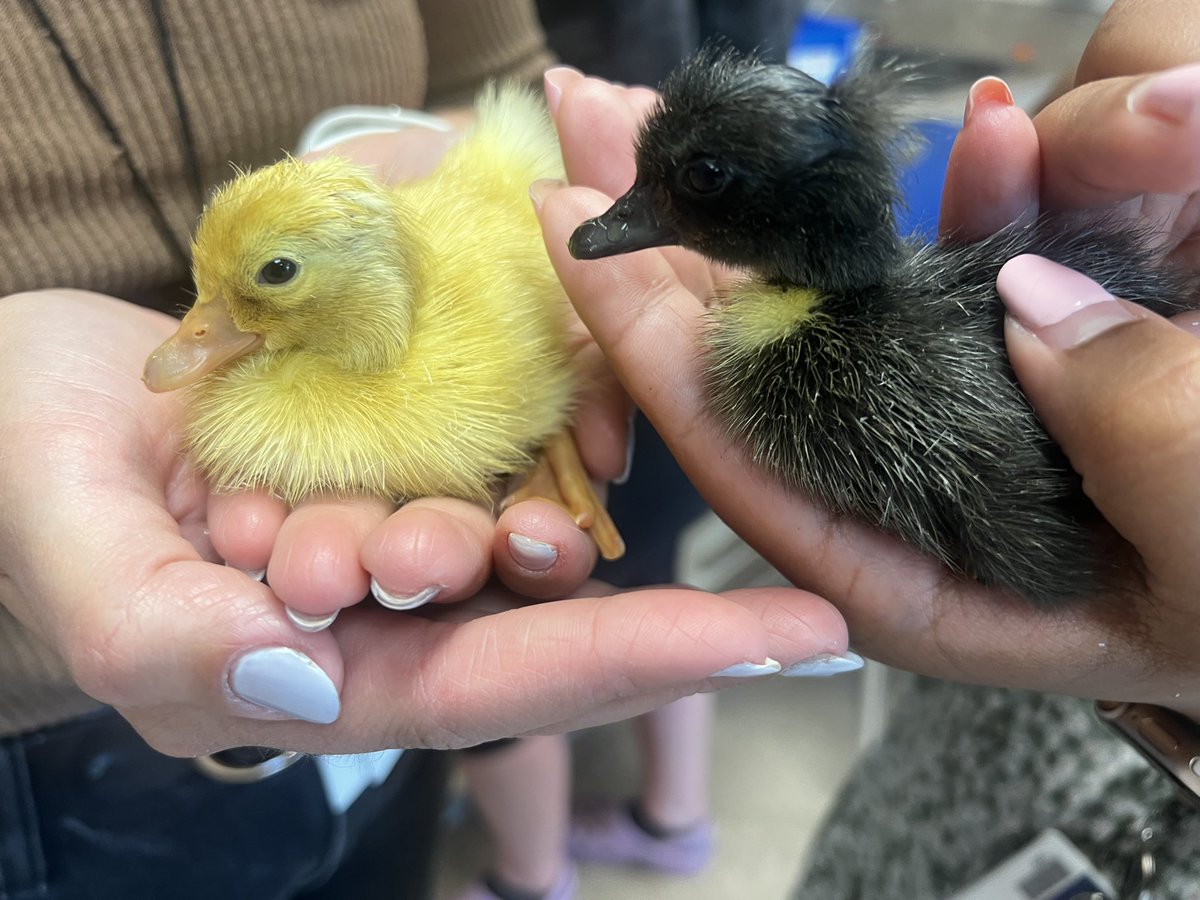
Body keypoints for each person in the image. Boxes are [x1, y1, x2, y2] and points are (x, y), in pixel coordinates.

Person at [0, 3, 853, 898]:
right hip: (46, 732)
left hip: (369, 693)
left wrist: (376, 142)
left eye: (265, 283)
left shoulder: (448, 361)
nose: (197, 327)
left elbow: (502, 102)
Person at [529, 0, 1200, 892]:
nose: (629, 216)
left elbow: (1044, 544)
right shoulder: (862, 338)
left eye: (698, 181)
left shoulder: (816, 374)